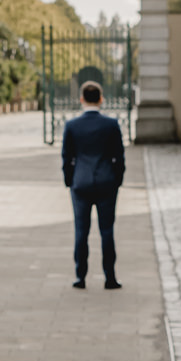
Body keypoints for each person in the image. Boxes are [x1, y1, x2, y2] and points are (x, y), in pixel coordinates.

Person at [61, 80, 125, 289]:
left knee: (81, 231)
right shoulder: (111, 124)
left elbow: (67, 157)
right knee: (107, 231)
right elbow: (119, 157)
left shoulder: (72, 126)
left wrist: (70, 181)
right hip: (106, 182)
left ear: (81, 99)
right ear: (101, 99)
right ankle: (110, 277)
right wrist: (117, 179)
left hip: (81, 183)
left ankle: (80, 277)